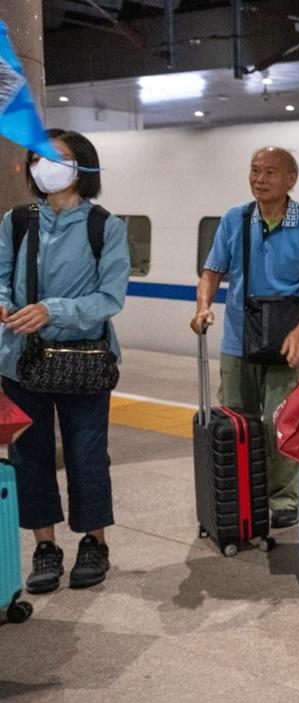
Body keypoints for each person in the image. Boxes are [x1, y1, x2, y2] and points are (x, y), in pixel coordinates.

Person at [0, 130, 129, 592]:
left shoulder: (104, 226)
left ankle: (94, 543)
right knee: (29, 456)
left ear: (83, 166)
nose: (44, 165)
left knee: (87, 454)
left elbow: (111, 297)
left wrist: (52, 310)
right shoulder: (15, 222)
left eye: (57, 157)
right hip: (20, 361)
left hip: (85, 361)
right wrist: (3, 303)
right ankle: (45, 548)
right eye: (38, 157)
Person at [190, 147, 299, 529]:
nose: (259, 179)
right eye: (254, 171)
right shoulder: (235, 220)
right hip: (238, 341)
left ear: (291, 180)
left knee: (279, 421)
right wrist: (203, 306)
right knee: (237, 419)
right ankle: (240, 493)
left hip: (288, 343)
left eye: (270, 172)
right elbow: (211, 273)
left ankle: (283, 497)